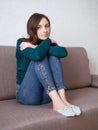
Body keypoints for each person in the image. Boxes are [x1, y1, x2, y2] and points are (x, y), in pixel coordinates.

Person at [16, 13, 81, 117]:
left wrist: (35, 46)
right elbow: (37, 55)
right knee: (40, 56)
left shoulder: (47, 44)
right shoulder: (22, 43)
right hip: (27, 94)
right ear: (32, 29)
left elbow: (63, 52)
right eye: (39, 27)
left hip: (46, 96)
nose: (45, 30)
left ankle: (63, 99)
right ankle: (57, 103)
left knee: (53, 55)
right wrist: (48, 40)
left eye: (47, 26)